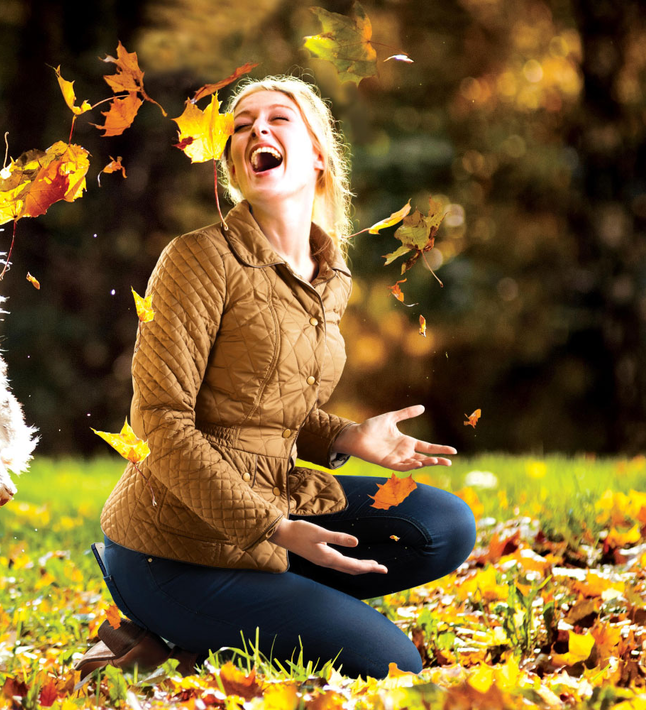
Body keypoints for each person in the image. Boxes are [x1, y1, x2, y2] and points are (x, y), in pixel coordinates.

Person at [82, 76, 476, 680]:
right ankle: (164, 629)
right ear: (236, 164)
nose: (256, 131)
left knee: (445, 527)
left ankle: (225, 626)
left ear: (318, 154)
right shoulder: (198, 259)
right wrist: (277, 529)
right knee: (392, 662)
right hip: (173, 551)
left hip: (274, 506)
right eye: (242, 126)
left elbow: (258, 404)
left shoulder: (327, 277)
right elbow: (157, 423)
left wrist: (347, 438)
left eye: (277, 119)